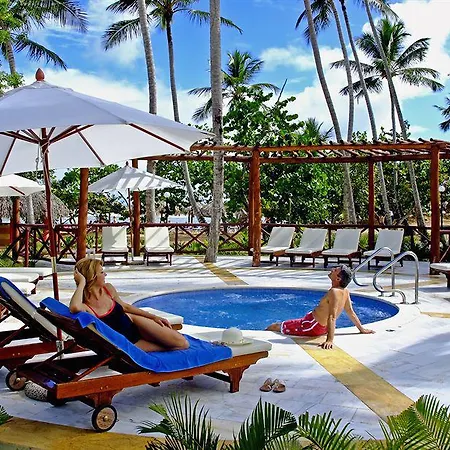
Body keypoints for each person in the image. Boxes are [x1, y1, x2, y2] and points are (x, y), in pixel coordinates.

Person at [69, 257, 189, 352]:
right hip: (129, 343)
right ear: (92, 277)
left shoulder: (108, 289)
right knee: (180, 345)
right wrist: (82, 283)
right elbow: (74, 307)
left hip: (134, 322)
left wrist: (154, 317)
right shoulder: (85, 306)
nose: (105, 274)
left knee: (181, 342)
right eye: (101, 272)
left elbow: (125, 307)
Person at [266, 264, 375, 349]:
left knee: (274, 326)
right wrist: (361, 329)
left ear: (338, 279)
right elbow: (350, 312)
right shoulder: (345, 291)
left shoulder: (334, 292)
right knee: (279, 325)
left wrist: (329, 340)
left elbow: (332, 317)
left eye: (335, 270)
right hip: (319, 326)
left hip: (311, 326)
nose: (332, 269)